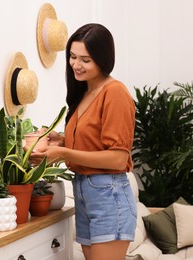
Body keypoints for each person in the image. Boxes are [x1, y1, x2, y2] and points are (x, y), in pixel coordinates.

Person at [29, 23, 137, 260]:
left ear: (103, 59)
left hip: (109, 195)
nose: (76, 65)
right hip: (86, 192)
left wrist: (64, 153)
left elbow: (118, 158)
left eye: (86, 60)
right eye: (73, 57)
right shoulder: (86, 93)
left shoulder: (115, 92)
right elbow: (95, 142)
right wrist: (62, 139)